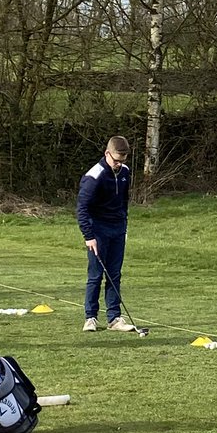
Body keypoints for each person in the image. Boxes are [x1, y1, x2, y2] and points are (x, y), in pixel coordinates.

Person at [77, 135, 135, 332]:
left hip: (118, 229)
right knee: (96, 275)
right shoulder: (94, 176)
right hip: (98, 230)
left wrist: (124, 227)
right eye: (116, 160)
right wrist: (89, 236)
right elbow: (82, 208)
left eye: (122, 160)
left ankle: (114, 318)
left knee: (114, 274)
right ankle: (90, 317)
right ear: (107, 154)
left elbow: (124, 202)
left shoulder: (125, 172)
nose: (119, 164)